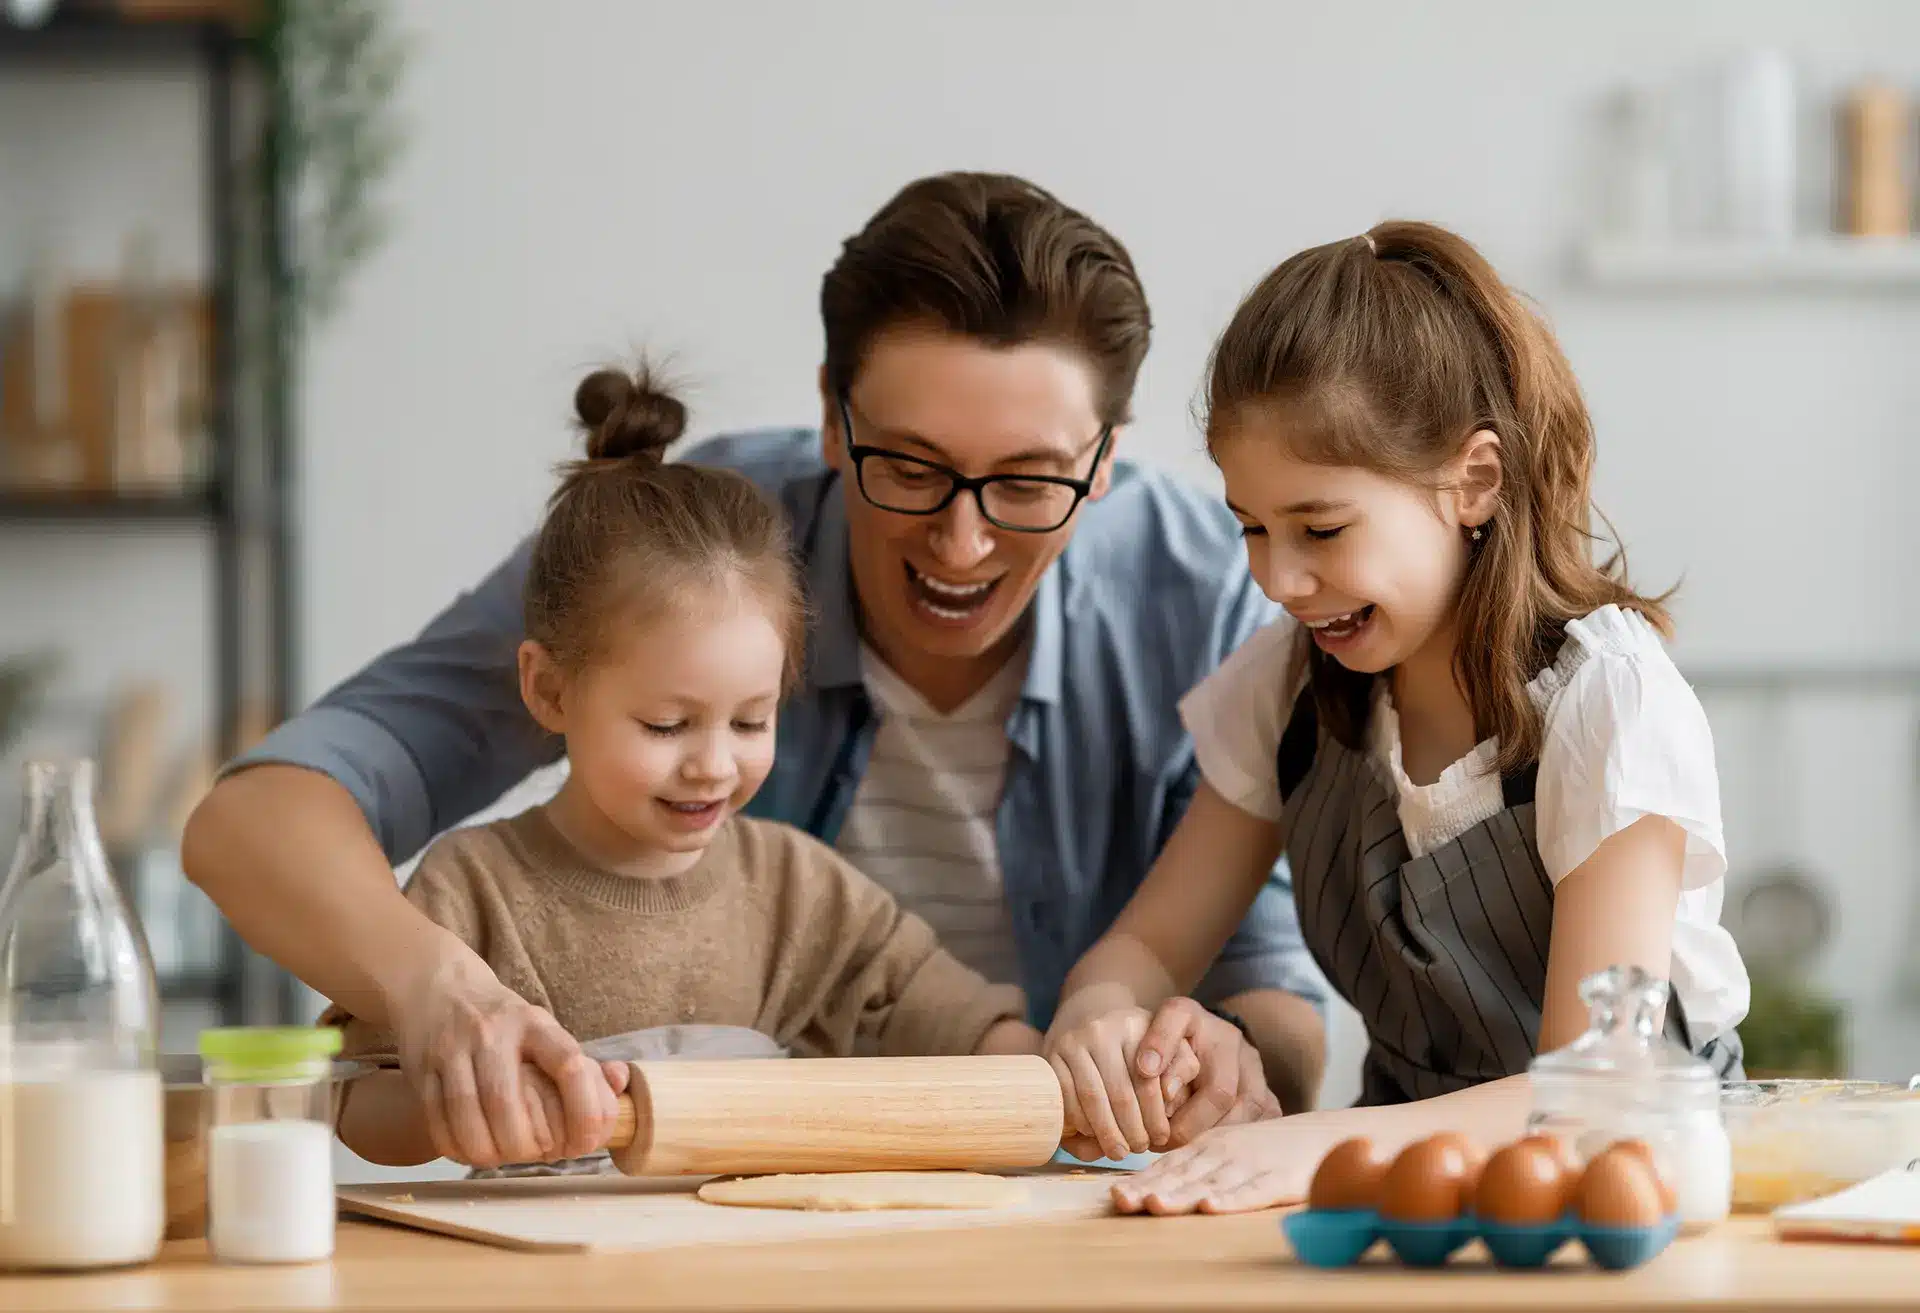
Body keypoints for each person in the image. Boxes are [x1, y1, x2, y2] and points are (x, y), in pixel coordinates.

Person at [182, 172, 1328, 1171]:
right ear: (833, 415)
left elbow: (1277, 999)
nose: (963, 541)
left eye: (1030, 481)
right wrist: (439, 993)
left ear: (1107, 460)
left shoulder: (1215, 591)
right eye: (911, 468)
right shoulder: (693, 556)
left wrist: (1215, 1055)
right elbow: (256, 818)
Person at [1041, 221, 1750, 1211]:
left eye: (1321, 527)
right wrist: (1104, 1022)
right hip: (1407, 1208)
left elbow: (1600, 1085)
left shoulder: (1608, 701)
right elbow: (1146, 949)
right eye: (1250, 525)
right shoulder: (1287, 690)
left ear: (1473, 482)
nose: (1276, 577)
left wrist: (1323, 1145)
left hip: (1632, 1213)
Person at [330, 365, 1069, 1168]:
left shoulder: (796, 887)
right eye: (667, 724)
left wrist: (1056, 1074)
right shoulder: (472, 889)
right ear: (548, 688)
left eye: (753, 719)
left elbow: (949, 1014)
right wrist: (467, 1105)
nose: (714, 765)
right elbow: (354, 1101)